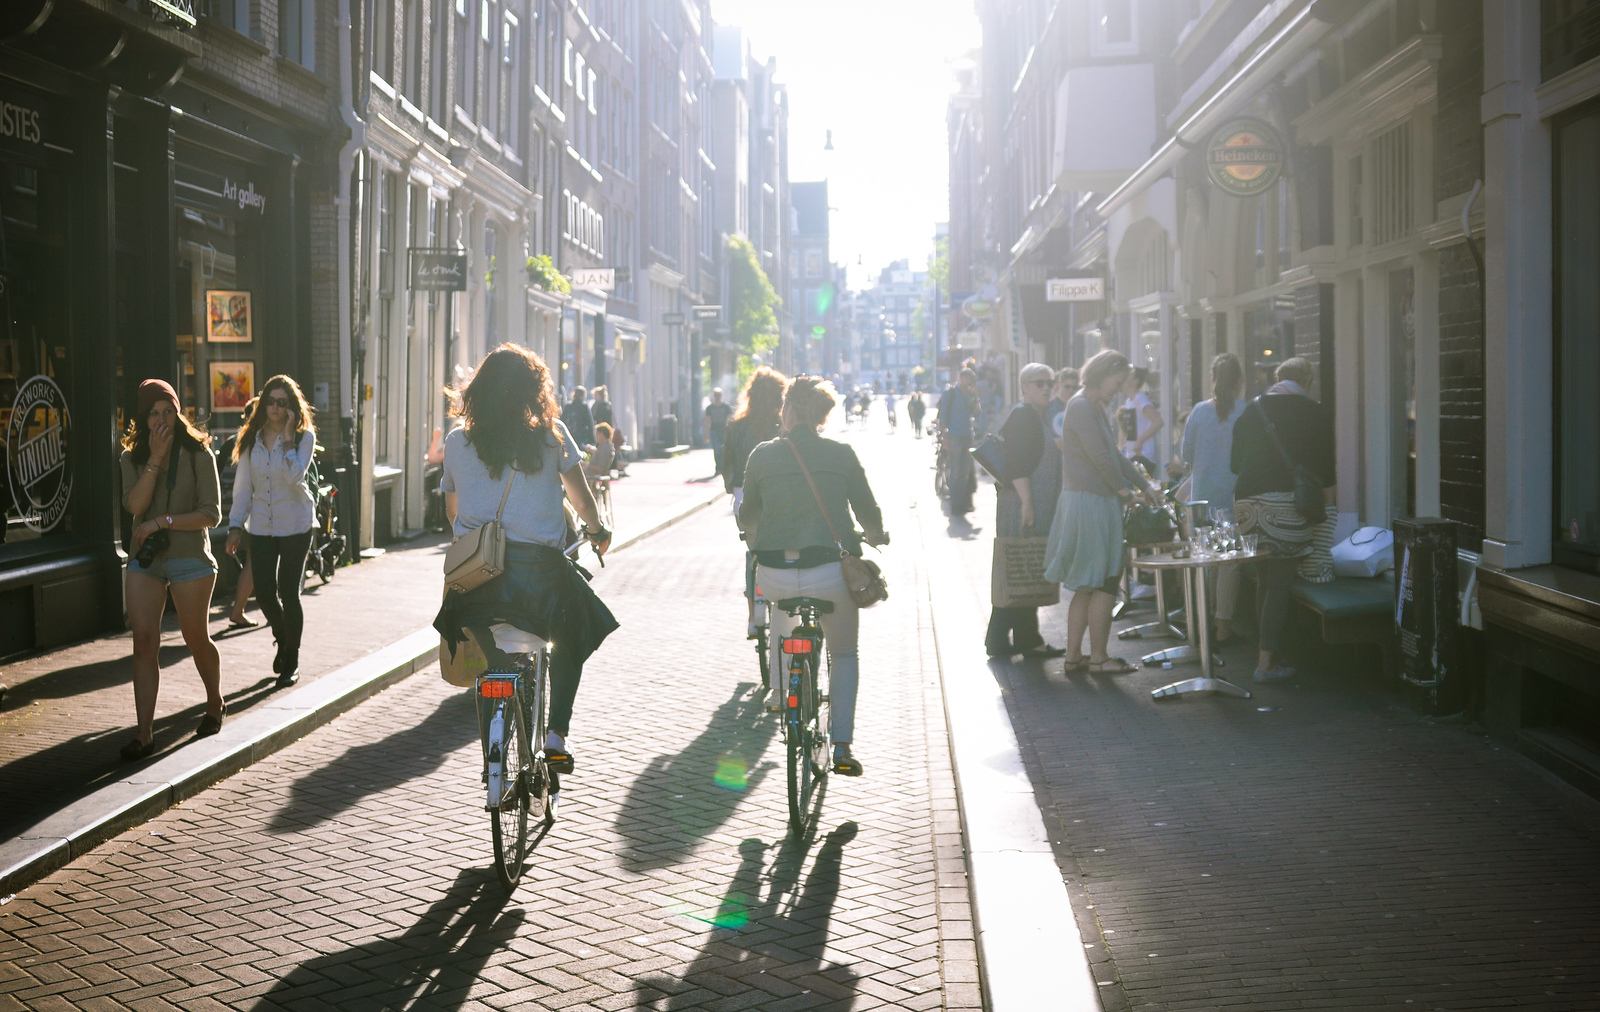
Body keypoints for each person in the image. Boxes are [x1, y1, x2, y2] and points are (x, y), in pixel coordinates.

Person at [435, 344, 616, 772]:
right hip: (539, 577)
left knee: (482, 637)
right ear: (533, 392)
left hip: (478, 582)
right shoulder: (551, 436)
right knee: (573, 631)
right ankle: (555, 737)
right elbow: (583, 500)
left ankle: (498, 672)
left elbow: (453, 512)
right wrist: (597, 531)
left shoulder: (458, 442)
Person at [739, 376, 888, 776]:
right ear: (822, 414)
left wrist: (756, 534)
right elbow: (868, 512)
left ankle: (779, 688)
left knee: (782, 623)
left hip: (775, 572)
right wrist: (876, 536)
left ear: (785, 411)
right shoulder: (841, 454)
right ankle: (841, 745)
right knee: (843, 654)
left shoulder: (761, 456)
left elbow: (747, 515)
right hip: (829, 574)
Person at [117, 379, 225, 760]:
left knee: (195, 638)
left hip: (189, 556)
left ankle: (214, 702)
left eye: (168, 411)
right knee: (144, 641)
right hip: (146, 560)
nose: (161, 420)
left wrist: (161, 522)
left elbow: (211, 514)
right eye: (154, 413)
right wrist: (157, 459)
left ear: (178, 413)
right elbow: (134, 506)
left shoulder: (199, 454)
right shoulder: (130, 459)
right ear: (143, 420)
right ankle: (144, 734)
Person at [1044, 350, 1160, 674]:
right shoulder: (1082, 407)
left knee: (1087, 582)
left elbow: (1117, 457)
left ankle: (1074, 657)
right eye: (1117, 381)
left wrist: (1143, 485)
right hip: (1091, 502)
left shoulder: (1090, 406)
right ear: (1101, 373)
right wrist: (1126, 492)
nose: (1119, 388)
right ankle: (1098, 658)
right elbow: (1102, 458)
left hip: (1092, 500)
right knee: (1105, 580)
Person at [1230, 356, 1336, 683]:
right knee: (1279, 584)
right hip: (1285, 505)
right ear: (1307, 381)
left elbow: (1235, 464)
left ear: (1277, 378)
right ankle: (1265, 665)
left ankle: (1268, 651)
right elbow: (1326, 472)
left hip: (1246, 504)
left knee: (1263, 578)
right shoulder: (1315, 412)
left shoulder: (1251, 410)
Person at [226, 375, 318, 688]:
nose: (276, 408)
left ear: (291, 407)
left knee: (289, 592)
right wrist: (235, 526)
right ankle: (284, 638)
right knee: (264, 591)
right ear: (263, 404)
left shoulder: (304, 437)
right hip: (262, 526)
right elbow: (243, 489)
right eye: (271, 402)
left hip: (295, 523)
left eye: (282, 402)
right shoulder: (251, 438)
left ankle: (291, 660)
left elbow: (294, 477)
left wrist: (289, 438)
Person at [985, 363, 1066, 659]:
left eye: (1050, 382)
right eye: (1038, 383)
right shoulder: (1023, 416)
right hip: (1023, 505)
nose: (1046, 387)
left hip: (1031, 503)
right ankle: (1020, 639)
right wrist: (1028, 504)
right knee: (1021, 567)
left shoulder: (1035, 415)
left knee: (1022, 569)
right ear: (1024, 388)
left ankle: (1013, 638)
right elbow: (1018, 465)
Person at [1181, 353, 1248, 644]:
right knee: (1229, 561)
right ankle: (1223, 625)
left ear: (1212, 379)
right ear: (1239, 381)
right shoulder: (1246, 411)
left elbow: (1185, 456)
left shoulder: (1198, 412)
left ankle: (1200, 619)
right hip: (1232, 496)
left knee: (1206, 559)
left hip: (1203, 498)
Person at [722, 367, 788, 636]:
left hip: (744, 496)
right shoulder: (782, 427)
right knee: (783, 546)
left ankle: (754, 615)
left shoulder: (737, 427)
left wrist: (733, 487)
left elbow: (725, 462)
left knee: (755, 551)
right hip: (779, 496)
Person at [936, 368, 980, 515]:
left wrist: (975, 398)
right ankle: (956, 505)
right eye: (967, 379)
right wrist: (944, 437)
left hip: (967, 435)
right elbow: (943, 416)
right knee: (956, 471)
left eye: (971, 380)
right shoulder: (951, 394)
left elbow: (976, 412)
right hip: (954, 436)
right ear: (960, 378)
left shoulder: (969, 394)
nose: (968, 383)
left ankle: (963, 502)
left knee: (965, 471)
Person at [1119, 367, 1164, 478]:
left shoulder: (1140, 398)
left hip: (1143, 456)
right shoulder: (1129, 401)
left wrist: (1140, 441)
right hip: (1132, 455)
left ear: (1135, 380)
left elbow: (1158, 421)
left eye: (1127, 376)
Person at [704, 387, 733, 475]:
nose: (717, 397)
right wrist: (706, 435)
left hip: (724, 431)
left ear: (721, 396)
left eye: (719, 395)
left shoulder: (726, 407)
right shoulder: (709, 408)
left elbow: (730, 420)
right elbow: (707, 421)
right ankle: (718, 468)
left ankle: (723, 467)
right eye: (716, 395)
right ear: (714, 396)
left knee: (723, 450)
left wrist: (730, 432)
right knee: (716, 450)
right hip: (714, 432)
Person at [1047, 366, 1079, 434]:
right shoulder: (1049, 408)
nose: (1071, 391)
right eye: (1067, 387)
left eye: (1074, 388)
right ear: (1058, 385)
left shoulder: (1079, 408)